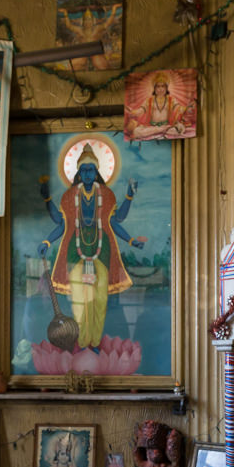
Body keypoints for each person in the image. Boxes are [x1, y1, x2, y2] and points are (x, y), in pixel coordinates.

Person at [39, 144, 145, 350]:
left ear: (97, 172)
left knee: (99, 300)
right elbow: (60, 222)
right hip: (75, 252)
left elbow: (117, 220)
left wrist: (129, 198)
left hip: (102, 250)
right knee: (79, 301)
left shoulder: (106, 194)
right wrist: (47, 201)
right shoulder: (69, 197)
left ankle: (94, 342)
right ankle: (80, 342)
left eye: (91, 169)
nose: (88, 173)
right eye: (84, 169)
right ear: (79, 172)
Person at [125, 72, 191, 140]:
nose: (160, 89)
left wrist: (186, 108)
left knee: (180, 128)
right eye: (158, 86)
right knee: (137, 131)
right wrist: (132, 111)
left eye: (163, 86)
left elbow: (178, 108)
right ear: (154, 88)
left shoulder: (171, 100)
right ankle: (161, 131)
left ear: (166, 88)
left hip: (166, 126)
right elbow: (140, 111)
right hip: (152, 127)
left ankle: (160, 131)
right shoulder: (149, 100)